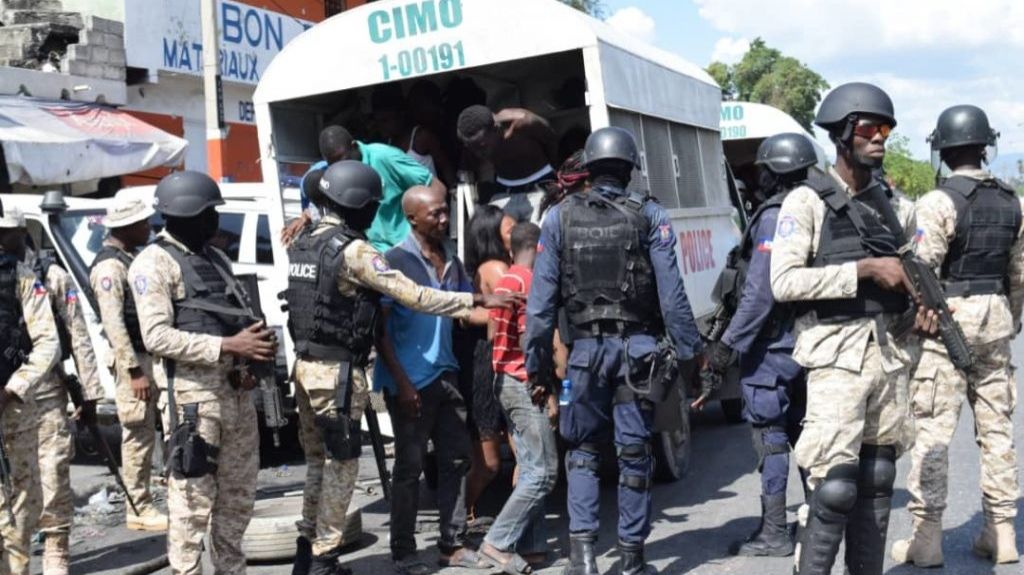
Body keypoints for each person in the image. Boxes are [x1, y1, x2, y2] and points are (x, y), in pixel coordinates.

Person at [283, 162, 517, 575]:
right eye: (372, 205)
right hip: (343, 376)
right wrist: (476, 301)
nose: (375, 214)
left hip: (309, 370)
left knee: (322, 466)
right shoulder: (357, 252)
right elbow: (412, 298)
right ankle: (328, 562)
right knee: (344, 470)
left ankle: (313, 557)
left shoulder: (305, 241)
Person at [769, 82, 936, 575]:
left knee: (879, 478)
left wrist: (920, 309)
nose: (880, 138)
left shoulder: (898, 209)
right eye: (870, 128)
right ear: (844, 135)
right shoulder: (806, 202)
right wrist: (863, 270)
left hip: (888, 355)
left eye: (885, 128)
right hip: (835, 356)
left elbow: (915, 278)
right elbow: (783, 282)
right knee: (835, 485)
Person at [524, 127, 704, 575]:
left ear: (588, 167)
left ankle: (583, 559)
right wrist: (690, 358)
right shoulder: (651, 215)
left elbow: (540, 307)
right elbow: (673, 297)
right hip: (637, 355)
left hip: (584, 355)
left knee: (581, 453)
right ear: (629, 169)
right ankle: (631, 560)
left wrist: (537, 368)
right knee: (634, 455)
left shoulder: (557, 218)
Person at [891, 105, 1024, 567]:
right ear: (985, 146)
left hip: (946, 328)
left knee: (932, 432)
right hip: (996, 324)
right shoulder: (1013, 201)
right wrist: (1013, 318)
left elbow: (920, 268)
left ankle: (926, 539)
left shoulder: (938, 202)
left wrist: (918, 319)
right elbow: (1018, 274)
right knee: (997, 430)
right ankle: (1001, 532)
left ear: (944, 150)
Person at [129, 171, 278, 574]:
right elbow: (156, 336)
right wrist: (227, 346)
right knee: (191, 505)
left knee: (237, 500)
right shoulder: (153, 263)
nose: (215, 220)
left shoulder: (216, 259)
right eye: (209, 212)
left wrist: (251, 355)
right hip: (194, 403)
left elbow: (230, 319)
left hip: (236, 394)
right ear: (186, 214)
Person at [374, 184, 492, 574]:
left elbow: (463, 312)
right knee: (409, 469)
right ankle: (404, 552)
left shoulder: (452, 261)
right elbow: (382, 331)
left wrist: (506, 316)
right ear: (412, 218)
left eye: (445, 212)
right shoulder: (392, 262)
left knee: (456, 461)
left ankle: (451, 543)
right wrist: (403, 384)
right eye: (436, 214)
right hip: (410, 381)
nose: (444, 219)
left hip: (446, 374)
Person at [708, 133, 816, 558]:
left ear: (773, 172)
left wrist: (727, 346)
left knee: (771, 439)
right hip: (809, 343)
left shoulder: (776, 217)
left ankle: (774, 531)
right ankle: (818, 522)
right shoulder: (816, 210)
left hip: (774, 347)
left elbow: (759, 294)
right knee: (806, 436)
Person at [9, 219, 105, 575]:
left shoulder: (52, 278)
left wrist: (90, 394)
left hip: (47, 391)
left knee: (53, 473)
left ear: (23, 234)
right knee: (17, 483)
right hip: (9, 397)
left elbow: (78, 335)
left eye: (10, 234)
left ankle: (56, 549)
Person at [480, 222, 557, 574]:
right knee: (544, 472)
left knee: (528, 467)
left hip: (504, 378)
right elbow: (531, 340)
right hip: (523, 380)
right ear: (540, 250)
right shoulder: (529, 283)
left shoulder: (507, 280)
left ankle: (534, 546)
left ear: (512, 250)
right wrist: (544, 381)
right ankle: (498, 541)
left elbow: (495, 330)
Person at [89, 198, 168, 533]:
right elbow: (114, 324)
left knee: (151, 431)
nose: (148, 227)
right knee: (137, 433)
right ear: (125, 227)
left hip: (148, 357)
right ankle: (139, 505)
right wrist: (134, 371)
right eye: (142, 222)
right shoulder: (110, 267)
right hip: (134, 361)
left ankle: (152, 494)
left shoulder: (130, 258)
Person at [0, 203, 55, 575]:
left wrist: (10, 390)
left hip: (14, 405)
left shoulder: (19, 277)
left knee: (25, 499)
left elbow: (48, 341)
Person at [284, 125, 445, 251]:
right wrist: (303, 218)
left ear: (353, 146)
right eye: (335, 163)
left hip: (408, 250)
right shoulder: (335, 171)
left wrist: (431, 238)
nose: (342, 166)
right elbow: (322, 203)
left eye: (343, 159)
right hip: (374, 255)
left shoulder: (384, 157)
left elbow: (434, 186)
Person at [461, 205, 514, 523]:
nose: (516, 232)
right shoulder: (496, 268)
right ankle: (459, 519)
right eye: (509, 230)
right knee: (489, 463)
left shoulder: (487, 267)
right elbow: (501, 324)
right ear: (491, 235)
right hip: (492, 369)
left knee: (519, 457)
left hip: (491, 365)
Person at [457, 105, 557, 223]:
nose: (479, 153)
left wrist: (556, 174)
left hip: (541, 181)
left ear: (496, 129)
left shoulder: (523, 123)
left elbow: (551, 139)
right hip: (504, 188)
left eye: (482, 146)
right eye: (473, 149)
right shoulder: (475, 140)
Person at [372, 83, 456, 187]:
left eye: (385, 120)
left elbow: (445, 166)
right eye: (378, 122)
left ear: (400, 115)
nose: (381, 126)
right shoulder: (387, 145)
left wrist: (455, 190)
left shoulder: (421, 137)